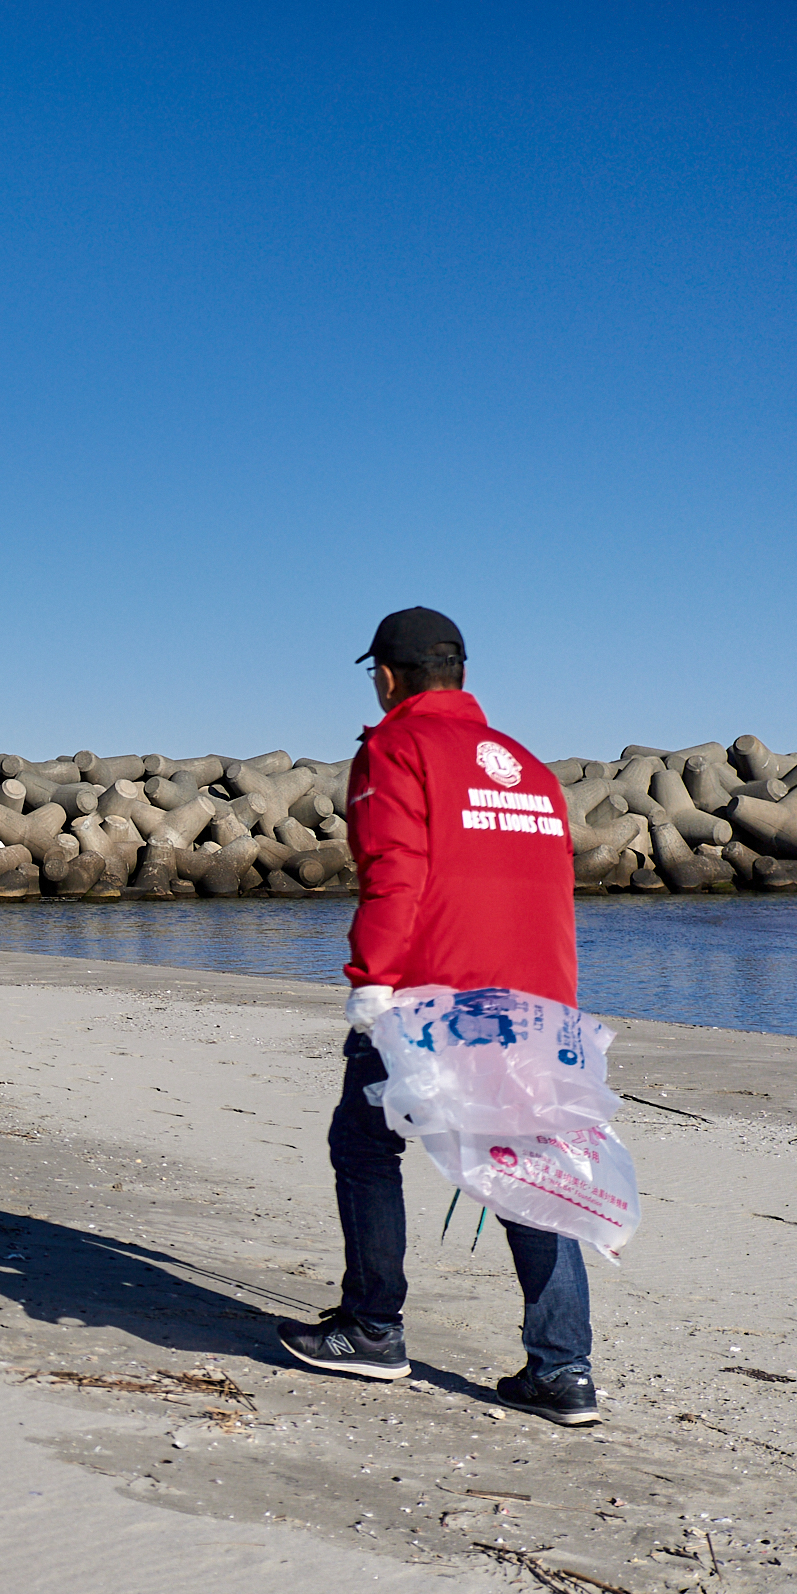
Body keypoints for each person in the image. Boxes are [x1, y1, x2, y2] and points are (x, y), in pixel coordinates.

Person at [275, 607, 601, 1427]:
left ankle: (373, 1327)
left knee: (364, 1141)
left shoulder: (394, 747)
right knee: (530, 1170)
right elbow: (548, 890)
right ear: (458, 673)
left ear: (387, 676)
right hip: (535, 998)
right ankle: (563, 1373)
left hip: (430, 997)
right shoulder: (528, 767)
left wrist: (372, 982)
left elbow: (396, 873)